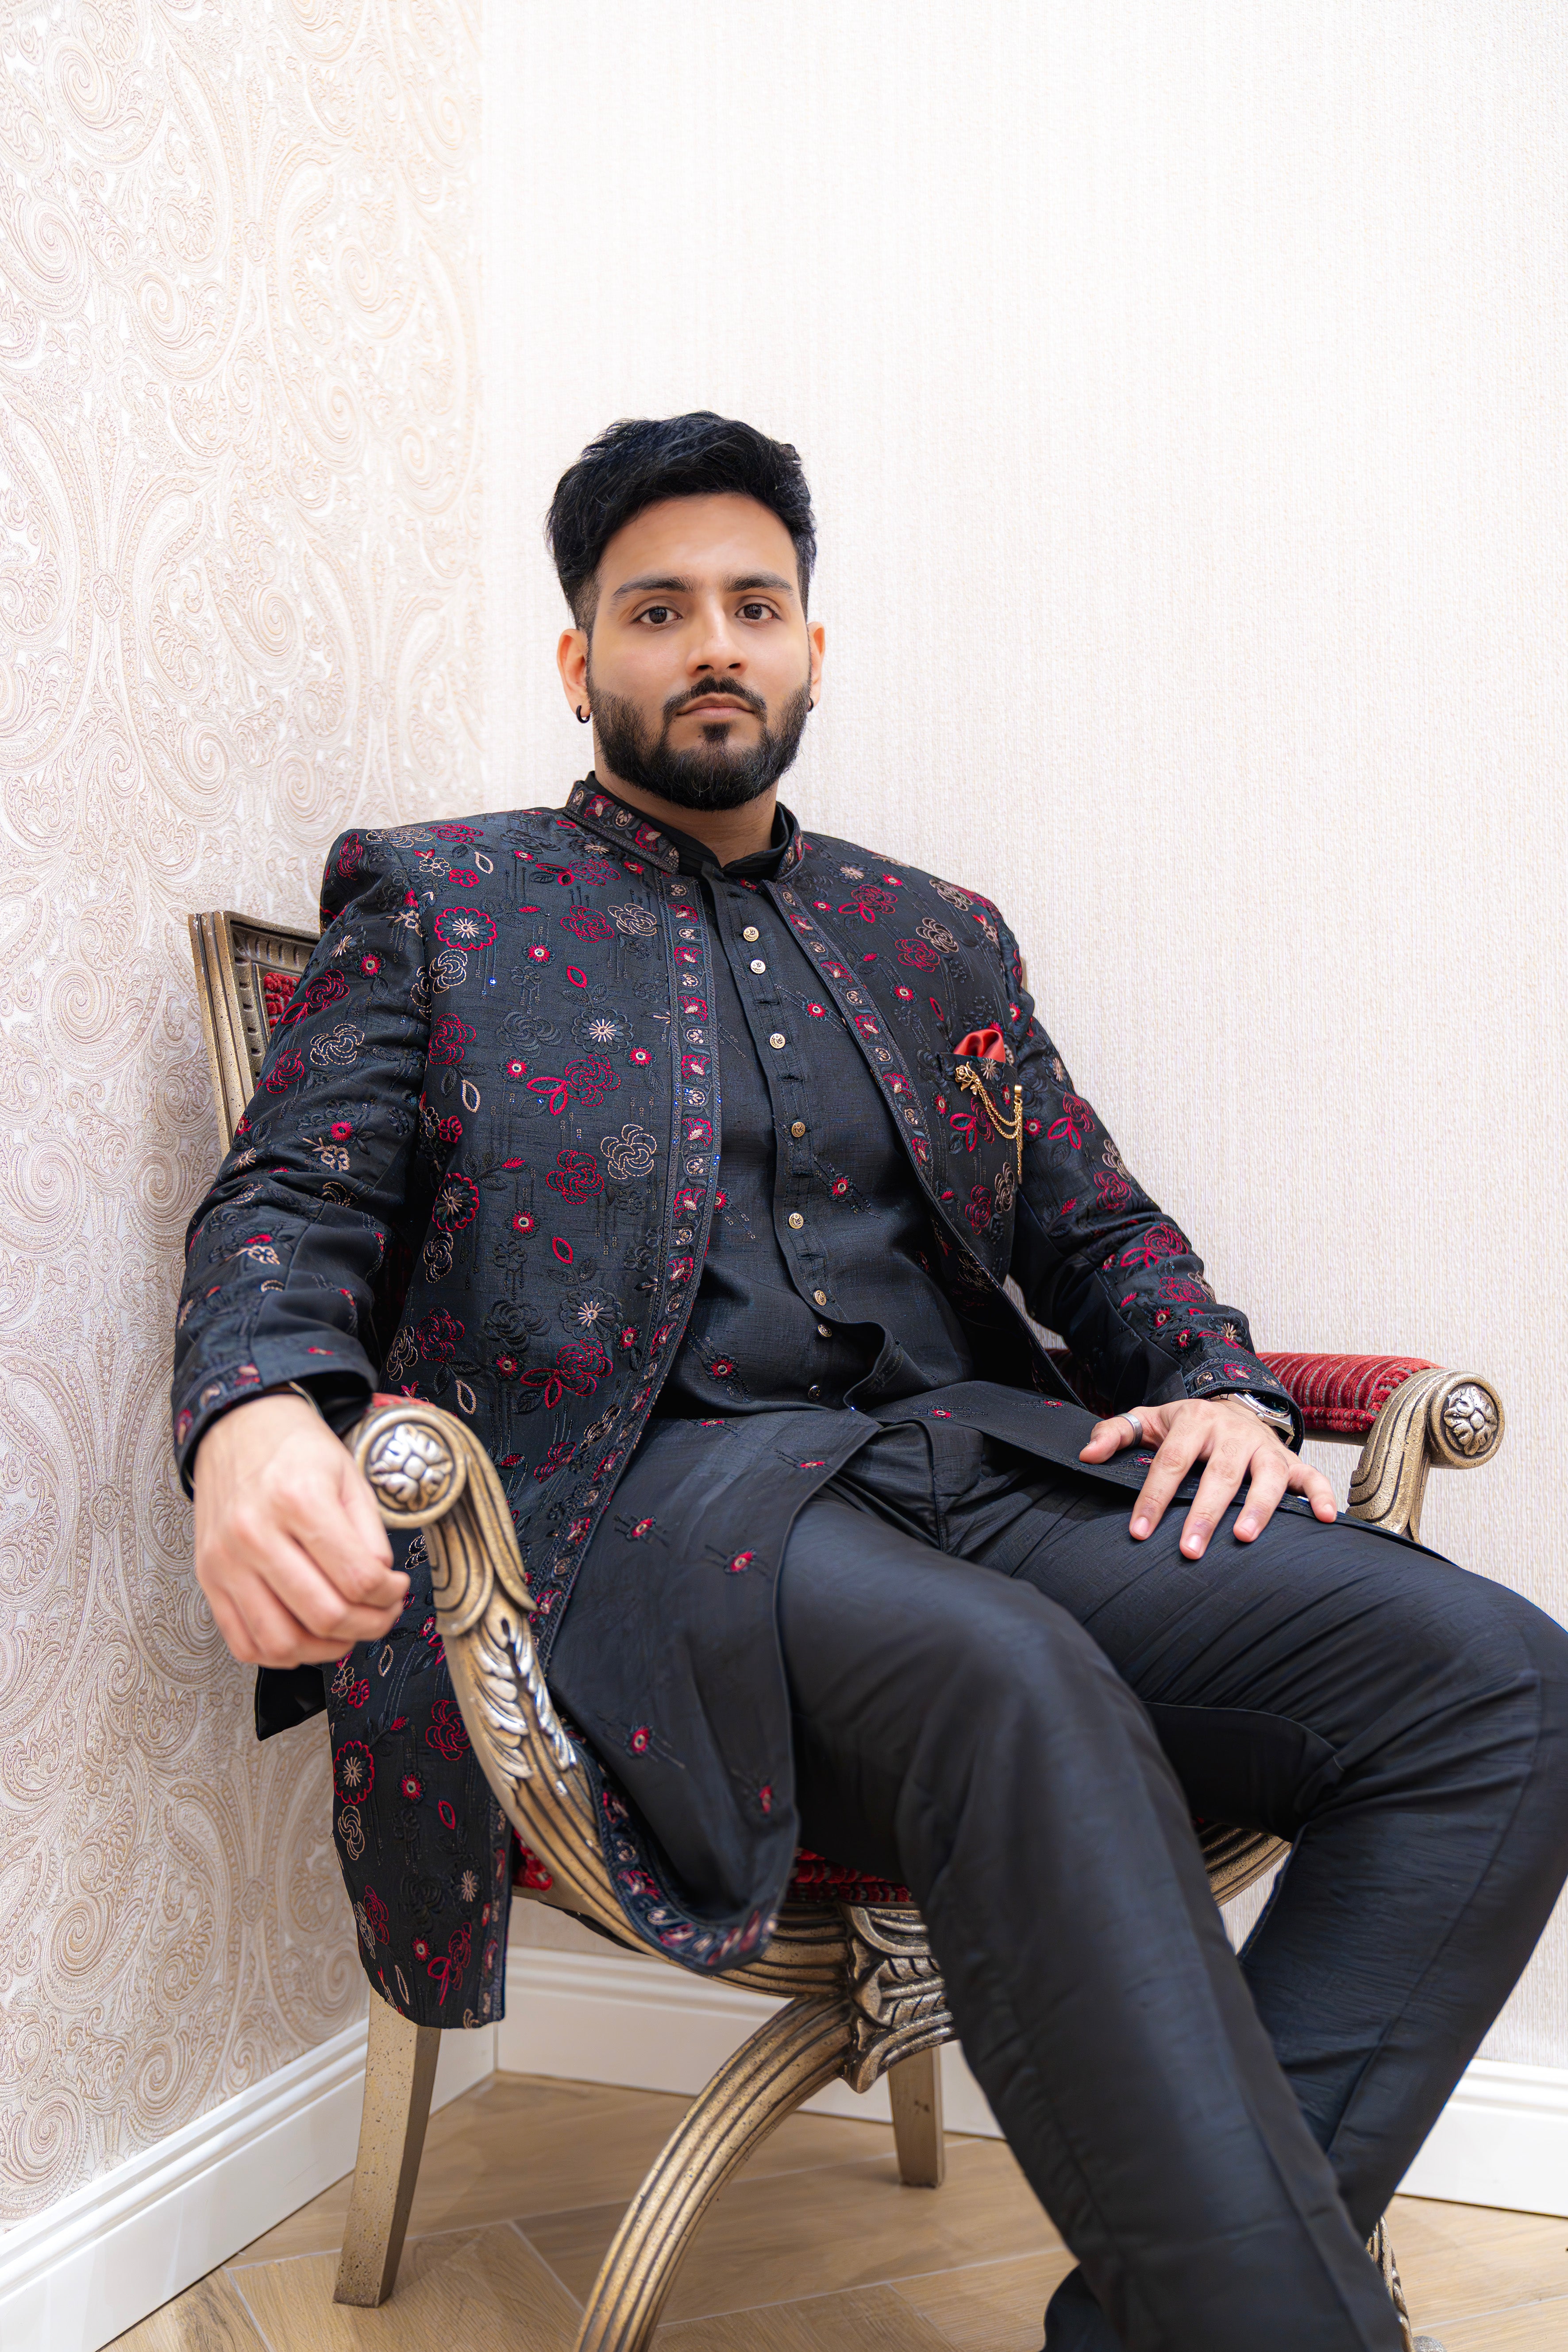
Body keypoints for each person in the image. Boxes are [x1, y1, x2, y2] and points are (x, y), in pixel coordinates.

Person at [176, 413, 1568, 2352]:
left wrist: (1223, 1386)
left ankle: (1200, 2314)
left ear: (812, 649)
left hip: (971, 1467)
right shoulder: (437, 900)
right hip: (647, 1516)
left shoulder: (936, 937)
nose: (713, 643)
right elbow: (286, 1207)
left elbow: (1102, 1235)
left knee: (1492, 1686)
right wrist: (252, 1411)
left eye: (755, 604)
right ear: (583, 666)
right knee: (1010, 1675)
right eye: (656, 611)